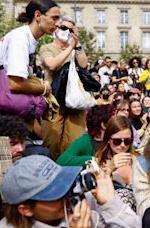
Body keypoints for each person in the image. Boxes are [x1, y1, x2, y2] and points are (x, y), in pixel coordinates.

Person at [0, 155, 141, 228]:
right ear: (25, 209)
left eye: (65, 183)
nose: (67, 194)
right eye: (56, 193)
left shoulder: (75, 208)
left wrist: (110, 203)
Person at [0, 0, 58, 117]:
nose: (58, 24)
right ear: (37, 16)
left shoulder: (25, 37)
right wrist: (44, 88)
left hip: (3, 103)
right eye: (54, 18)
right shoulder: (20, 39)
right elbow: (15, 84)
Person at [40, 15, 88, 160]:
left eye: (70, 29)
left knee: (75, 142)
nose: (66, 31)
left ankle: (71, 173)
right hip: (54, 102)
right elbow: (52, 65)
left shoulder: (75, 49)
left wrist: (77, 45)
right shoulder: (46, 47)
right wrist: (69, 49)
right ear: (56, 29)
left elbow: (84, 65)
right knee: (52, 141)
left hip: (75, 102)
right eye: (63, 27)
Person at [95, 115, 138, 211]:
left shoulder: (138, 160)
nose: (123, 145)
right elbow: (95, 195)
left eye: (127, 141)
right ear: (108, 140)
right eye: (117, 141)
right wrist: (109, 170)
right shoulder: (98, 163)